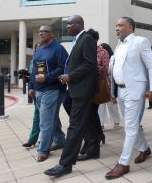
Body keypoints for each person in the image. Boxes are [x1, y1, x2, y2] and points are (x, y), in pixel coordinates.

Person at [44, 15, 98, 177]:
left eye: (70, 23)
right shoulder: (78, 39)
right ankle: (93, 149)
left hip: (82, 89)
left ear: (79, 24)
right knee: (89, 120)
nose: (67, 26)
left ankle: (65, 164)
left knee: (74, 126)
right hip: (75, 88)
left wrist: (70, 76)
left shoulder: (87, 39)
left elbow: (89, 64)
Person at [105, 16, 152, 180]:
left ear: (131, 27)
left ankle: (124, 163)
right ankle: (144, 148)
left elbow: (151, 66)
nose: (117, 28)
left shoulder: (140, 42)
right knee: (132, 124)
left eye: (120, 25)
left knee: (130, 125)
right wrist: (113, 93)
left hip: (136, 90)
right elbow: (116, 71)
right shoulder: (119, 46)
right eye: (116, 25)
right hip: (121, 91)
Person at [28, 25, 67, 162]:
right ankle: (61, 140)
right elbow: (34, 69)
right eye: (40, 32)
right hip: (38, 90)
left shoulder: (59, 49)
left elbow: (64, 68)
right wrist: (31, 86)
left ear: (52, 34)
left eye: (44, 32)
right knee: (52, 118)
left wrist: (47, 77)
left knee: (45, 121)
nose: (41, 34)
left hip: (52, 90)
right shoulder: (39, 49)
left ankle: (43, 150)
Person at [77, 28, 106, 161]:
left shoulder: (101, 52)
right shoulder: (88, 50)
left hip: (96, 86)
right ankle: (96, 137)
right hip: (86, 86)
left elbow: (103, 69)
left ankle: (93, 142)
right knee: (91, 115)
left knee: (91, 114)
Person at [97, 43, 123, 129]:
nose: (100, 51)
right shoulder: (98, 57)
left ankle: (116, 121)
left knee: (111, 104)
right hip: (102, 83)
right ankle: (101, 123)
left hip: (110, 83)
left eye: (101, 48)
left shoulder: (113, 58)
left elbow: (110, 72)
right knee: (101, 104)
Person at [22, 43, 41, 148]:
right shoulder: (33, 60)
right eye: (36, 47)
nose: (38, 48)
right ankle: (32, 139)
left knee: (45, 117)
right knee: (37, 116)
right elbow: (31, 75)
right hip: (35, 91)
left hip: (44, 91)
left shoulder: (45, 58)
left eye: (40, 46)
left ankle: (48, 139)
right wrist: (30, 87)